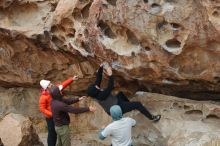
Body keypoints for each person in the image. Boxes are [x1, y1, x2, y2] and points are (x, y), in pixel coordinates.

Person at [87, 63, 161, 121]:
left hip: (115, 102)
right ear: (96, 91)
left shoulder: (95, 92)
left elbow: (98, 79)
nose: (96, 85)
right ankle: (152, 118)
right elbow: (110, 87)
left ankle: (129, 105)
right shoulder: (101, 96)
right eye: (95, 87)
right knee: (137, 104)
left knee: (120, 94)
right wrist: (110, 75)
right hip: (116, 109)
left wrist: (100, 67)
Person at [39, 76, 78, 146]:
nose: (51, 84)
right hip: (50, 118)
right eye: (49, 84)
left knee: (60, 131)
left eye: (50, 83)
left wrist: (71, 79)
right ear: (46, 88)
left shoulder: (54, 89)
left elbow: (63, 85)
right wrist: (52, 114)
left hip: (58, 115)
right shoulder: (43, 97)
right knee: (52, 133)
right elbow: (42, 109)